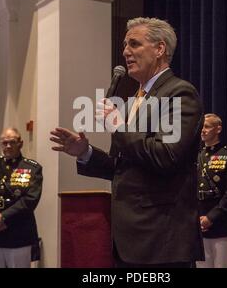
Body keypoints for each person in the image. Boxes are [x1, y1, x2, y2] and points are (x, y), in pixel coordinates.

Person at [50, 17, 203, 267]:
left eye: (134, 44)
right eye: (124, 45)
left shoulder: (179, 93)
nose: (125, 52)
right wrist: (86, 152)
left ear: (160, 49)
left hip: (160, 240)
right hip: (130, 240)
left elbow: (166, 156)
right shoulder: (135, 100)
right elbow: (123, 168)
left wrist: (118, 126)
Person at [0, 128, 43, 268]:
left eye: (12, 142)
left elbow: (30, 199)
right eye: (4, 143)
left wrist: (3, 217)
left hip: (18, 236)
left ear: (21, 143)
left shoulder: (32, 168)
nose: (8, 146)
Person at [196, 113, 227, 268]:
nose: (203, 130)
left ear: (218, 129)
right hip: (199, 227)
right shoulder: (197, 157)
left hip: (221, 227)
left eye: (207, 126)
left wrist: (211, 217)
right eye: (201, 126)